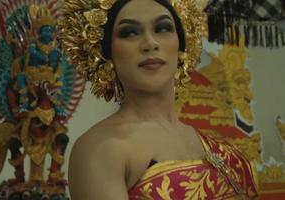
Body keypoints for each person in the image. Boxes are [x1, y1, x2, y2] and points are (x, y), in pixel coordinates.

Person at [58, 0, 259, 199]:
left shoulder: (220, 150)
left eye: (163, 28)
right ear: (105, 54)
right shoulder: (101, 149)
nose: (150, 43)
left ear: (182, 47)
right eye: (129, 33)